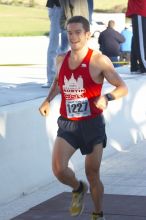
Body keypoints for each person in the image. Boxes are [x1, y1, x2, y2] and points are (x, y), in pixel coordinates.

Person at [39, 16, 128, 220]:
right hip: (68, 123)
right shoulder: (61, 59)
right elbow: (58, 83)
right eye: (70, 33)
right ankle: (78, 188)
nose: (73, 37)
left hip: (92, 125)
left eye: (78, 32)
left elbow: (122, 87)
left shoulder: (98, 60)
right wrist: (47, 100)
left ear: (87, 35)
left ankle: (97, 213)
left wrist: (107, 97)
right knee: (59, 170)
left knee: (92, 173)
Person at [42, 0, 62, 88]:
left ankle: (54, 79)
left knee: (60, 45)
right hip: (58, 6)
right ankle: (52, 79)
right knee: (55, 44)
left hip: (64, 6)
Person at [126, 0, 146, 73]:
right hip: (140, 10)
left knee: (137, 38)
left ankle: (135, 65)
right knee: (141, 39)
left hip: (140, 10)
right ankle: (144, 65)